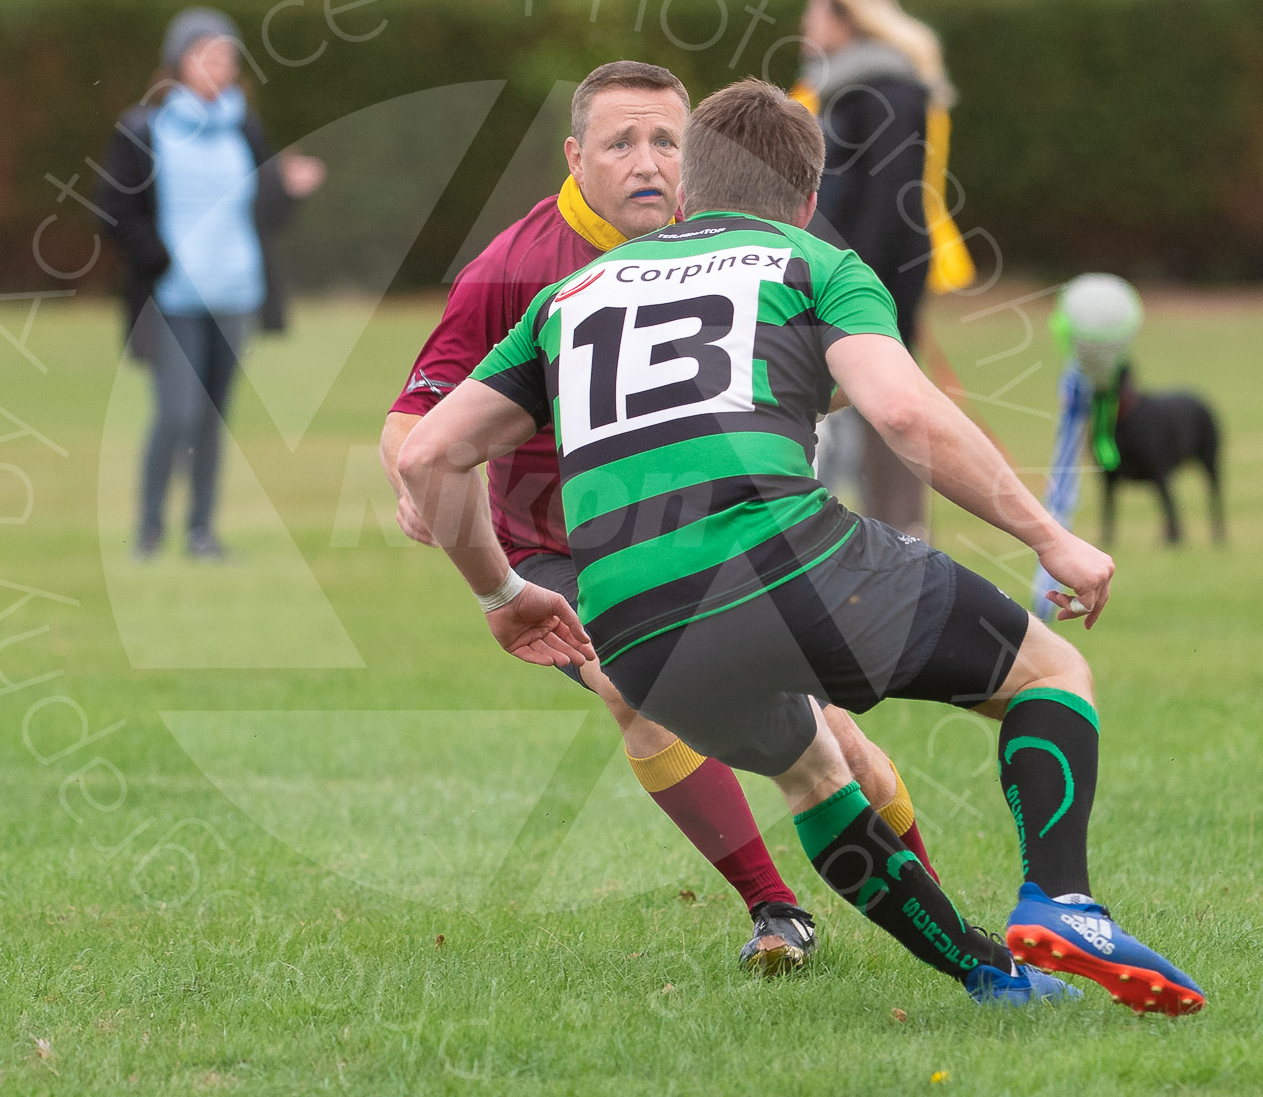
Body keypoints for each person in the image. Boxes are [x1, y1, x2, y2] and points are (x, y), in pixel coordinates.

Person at [398, 77, 1205, 1013]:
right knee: (1051, 673)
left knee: (813, 769)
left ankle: (991, 976)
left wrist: (503, 597)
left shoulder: (565, 297)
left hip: (628, 623)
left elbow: (425, 457)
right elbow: (903, 410)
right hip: (785, 563)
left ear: (689, 186)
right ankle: (1063, 900)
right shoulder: (811, 262)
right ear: (808, 199)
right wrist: (1051, 538)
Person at [380, 61, 937, 976]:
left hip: (726, 529)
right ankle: (774, 910)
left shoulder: (729, 241)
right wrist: (413, 480)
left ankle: (934, 919)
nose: (647, 162)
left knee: (838, 740)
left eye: (667, 142)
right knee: (634, 692)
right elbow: (416, 417)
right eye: (621, 142)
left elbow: (830, 366)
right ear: (575, 156)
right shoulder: (512, 270)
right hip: (565, 553)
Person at [95, 7, 325, 559]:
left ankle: (201, 533)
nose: (216, 66)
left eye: (225, 56)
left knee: (213, 419)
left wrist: (289, 189)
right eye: (205, 54)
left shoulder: (244, 125)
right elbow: (111, 210)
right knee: (176, 413)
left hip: (235, 294)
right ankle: (149, 530)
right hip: (173, 297)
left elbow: (266, 215)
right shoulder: (143, 128)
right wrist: (162, 257)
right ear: (177, 62)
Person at [795, 0, 973, 541]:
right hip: (841, 267)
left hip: (874, 273)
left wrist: (850, 279)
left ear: (848, 18)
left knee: (887, 405)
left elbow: (890, 198)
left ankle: (902, 538)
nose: (805, 22)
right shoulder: (839, 89)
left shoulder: (891, 89)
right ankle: (821, 538)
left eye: (816, 10)